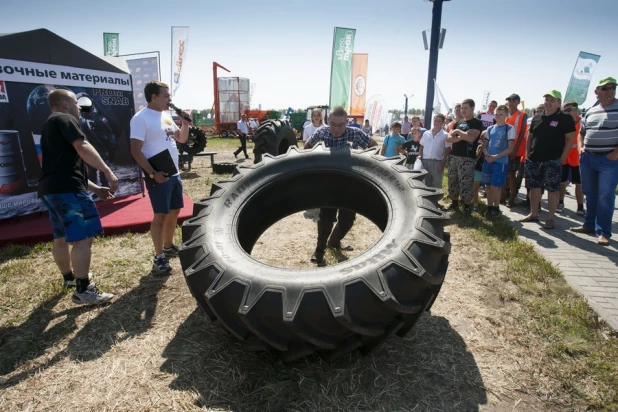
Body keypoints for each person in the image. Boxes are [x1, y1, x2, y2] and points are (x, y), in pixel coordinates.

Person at [38, 89, 118, 305]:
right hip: (68, 191)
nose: (79, 108)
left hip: (52, 190)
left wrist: (96, 188)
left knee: (61, 237)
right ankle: (84, 289)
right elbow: (82, 146)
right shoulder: (65, 119)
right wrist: (107, 171)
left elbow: (67, 169)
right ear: (65, 104)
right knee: (83, 239)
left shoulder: (50, 124)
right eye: (75, 102)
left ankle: (69, 279)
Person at [304, 106, 378, 264]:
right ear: (328, 122)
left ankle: (334, 242)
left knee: (348, 219)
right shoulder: (321, 133)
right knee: (326, 218)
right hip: (328, 183)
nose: (336, 129)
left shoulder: (355, 133)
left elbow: (373, 146)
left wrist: (364, 164)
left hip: (350, 184)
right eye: (332, 124)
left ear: (347, 122)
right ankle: (319, 251)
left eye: (340, 125)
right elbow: (306, 148)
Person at [130, 81, 190, 275]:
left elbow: (181, 138)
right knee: (160, 215)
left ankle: (168, 245)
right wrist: (152, 173)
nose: (169, 99)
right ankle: (159, 257)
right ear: (153, 97)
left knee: (174, 211)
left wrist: (185, 123)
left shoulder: (165, 116)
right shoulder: (141, 118)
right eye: (166, 96)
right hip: (157, 175)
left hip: (173, 174)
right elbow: (135, 151)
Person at [571, 77, 618, 246]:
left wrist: (616, 152)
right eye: (605, 88)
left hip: (609, 160)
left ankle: (604, 232)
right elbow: (581, 133)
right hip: (588, 158)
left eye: (612, 87)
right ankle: (589, 225)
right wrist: (580, 148)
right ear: (597, 91)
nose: (610, 91)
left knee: (605, 195)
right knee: (589, 192)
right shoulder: (591, 110)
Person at [519, 90, 575, 229]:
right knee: (534, 187)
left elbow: (570, 139)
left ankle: (550, 218)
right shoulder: (537, 118)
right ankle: (534, 214)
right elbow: (530, 137)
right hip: (534, 159)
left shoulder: (565, 118)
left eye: (552, 100)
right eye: (546, 100)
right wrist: (528, 154)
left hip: (553, 160)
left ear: (558, 103)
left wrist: (562, 159)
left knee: (552, 189)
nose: (548, 103)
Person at [446, 99, 483, 215]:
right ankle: (454, 203)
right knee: (453, 180)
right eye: (462, 108)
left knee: (466, 182)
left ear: (472, 108)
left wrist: (458, 133)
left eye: (465, 108)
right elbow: (448, 138)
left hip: (467, 157)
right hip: (454, 155)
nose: (463, 110)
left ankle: (467, 206)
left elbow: (471, 138)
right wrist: (463, 135)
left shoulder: (476, 123)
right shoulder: (458, 122)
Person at [481, 105, 516, 216]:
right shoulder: (490, 128)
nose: (498, 116)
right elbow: (484, 145)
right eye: (496, 114)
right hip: (488, 161)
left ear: (506, 115)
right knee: (488, 185)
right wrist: (486, 154)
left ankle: (496, 208)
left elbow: (510, 148)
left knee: (496, 186)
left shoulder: (509, 128)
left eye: (501, 114)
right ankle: (489, 207)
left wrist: (496, 157)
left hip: (500, 162)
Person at [558, 101, 584, 215]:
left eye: (568, 110)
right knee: (562, 182)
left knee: (579, 183)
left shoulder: (582, 121)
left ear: (575, 109)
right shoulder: (564, 122)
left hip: (577, 158)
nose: (566, 112)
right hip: (565, 156)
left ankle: (580, 207)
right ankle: (560, 202)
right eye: (564, 110)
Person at [504, 93, 528, 208]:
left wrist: (514, 150)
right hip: (503, 149)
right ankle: (504, 195)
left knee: (512, 173)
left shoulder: (522, 115)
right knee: (504, 173)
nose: (511, 103)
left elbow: (522, 133)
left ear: (518, 102)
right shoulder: (505, 114)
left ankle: (512, 197)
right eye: (509, 101)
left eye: (513, 101)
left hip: (515, 150)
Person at [419, 113, 450, 188]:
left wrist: (443, 164)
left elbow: (447, 150)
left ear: (443, 122)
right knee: (425, 183)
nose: (436, 123)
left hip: (437, 162)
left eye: (439, 121)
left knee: (437, 183)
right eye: (435, 120)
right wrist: (420, 156)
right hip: (425, 161)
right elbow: (421, 146)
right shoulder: (426, 133)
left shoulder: (445, 135)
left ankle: (435, 199)